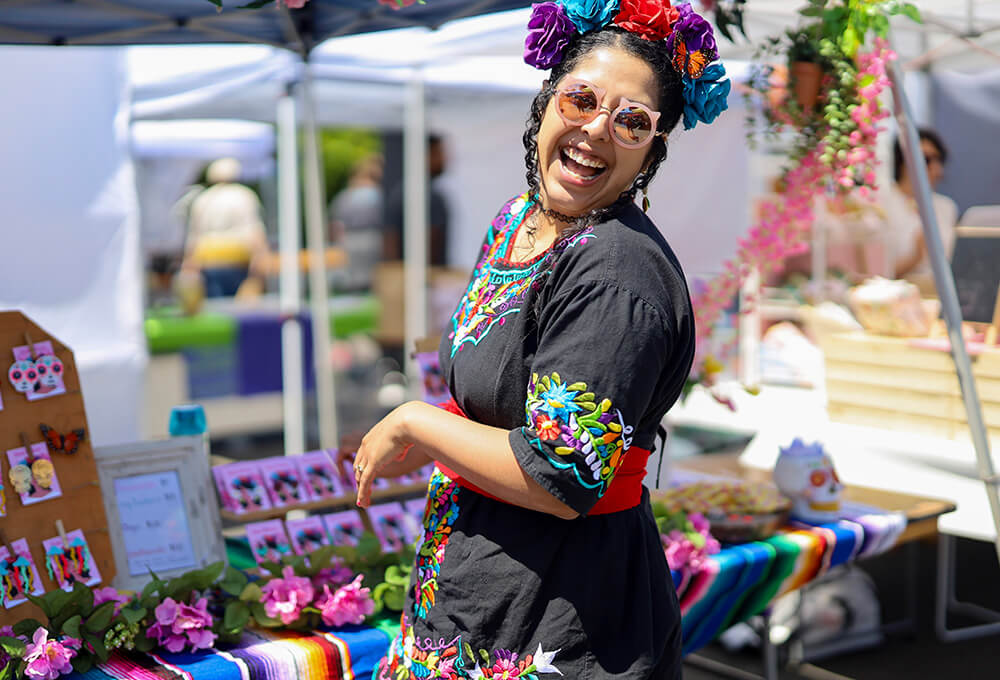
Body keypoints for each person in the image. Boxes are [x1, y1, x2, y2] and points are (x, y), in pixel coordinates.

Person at [346, 4, 729, 678]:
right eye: (581, 98)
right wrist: (440, 442)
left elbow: (560, 476)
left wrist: (418, 422)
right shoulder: (520, 218)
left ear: (653, 147)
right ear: (548, 97)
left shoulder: (618, 272)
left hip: (559, 615)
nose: (594, 131)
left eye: (630, 121)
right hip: (475, 586)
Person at [182, 158, 270, 298]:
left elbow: (194, 235)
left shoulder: (203, 199)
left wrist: (189, 264)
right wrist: (261, 257)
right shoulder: (244, 195)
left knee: (215, 307)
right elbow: (254, 231)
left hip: (208, 260)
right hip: (238, 259)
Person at [884, 128, 958, 282]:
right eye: (926, 159)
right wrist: (915, 257)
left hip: (941, 294)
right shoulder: (882, 203)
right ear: (902, 160)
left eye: (939, 160)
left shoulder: (946, 206)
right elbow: (872, 273)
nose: (935, 169)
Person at [383, 134, 450, 265]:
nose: (444, 159)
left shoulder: (401, 191)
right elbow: (431, 241)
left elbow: (389, 239)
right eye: (439, 152)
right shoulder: (428, 195)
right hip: (425, 276)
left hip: (407, 274)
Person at [329, 153, 385, 292]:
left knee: (352, 284)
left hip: (348, 242)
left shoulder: (344, 196)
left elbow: (335, 227)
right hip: (374, 240)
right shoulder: (378, 194)